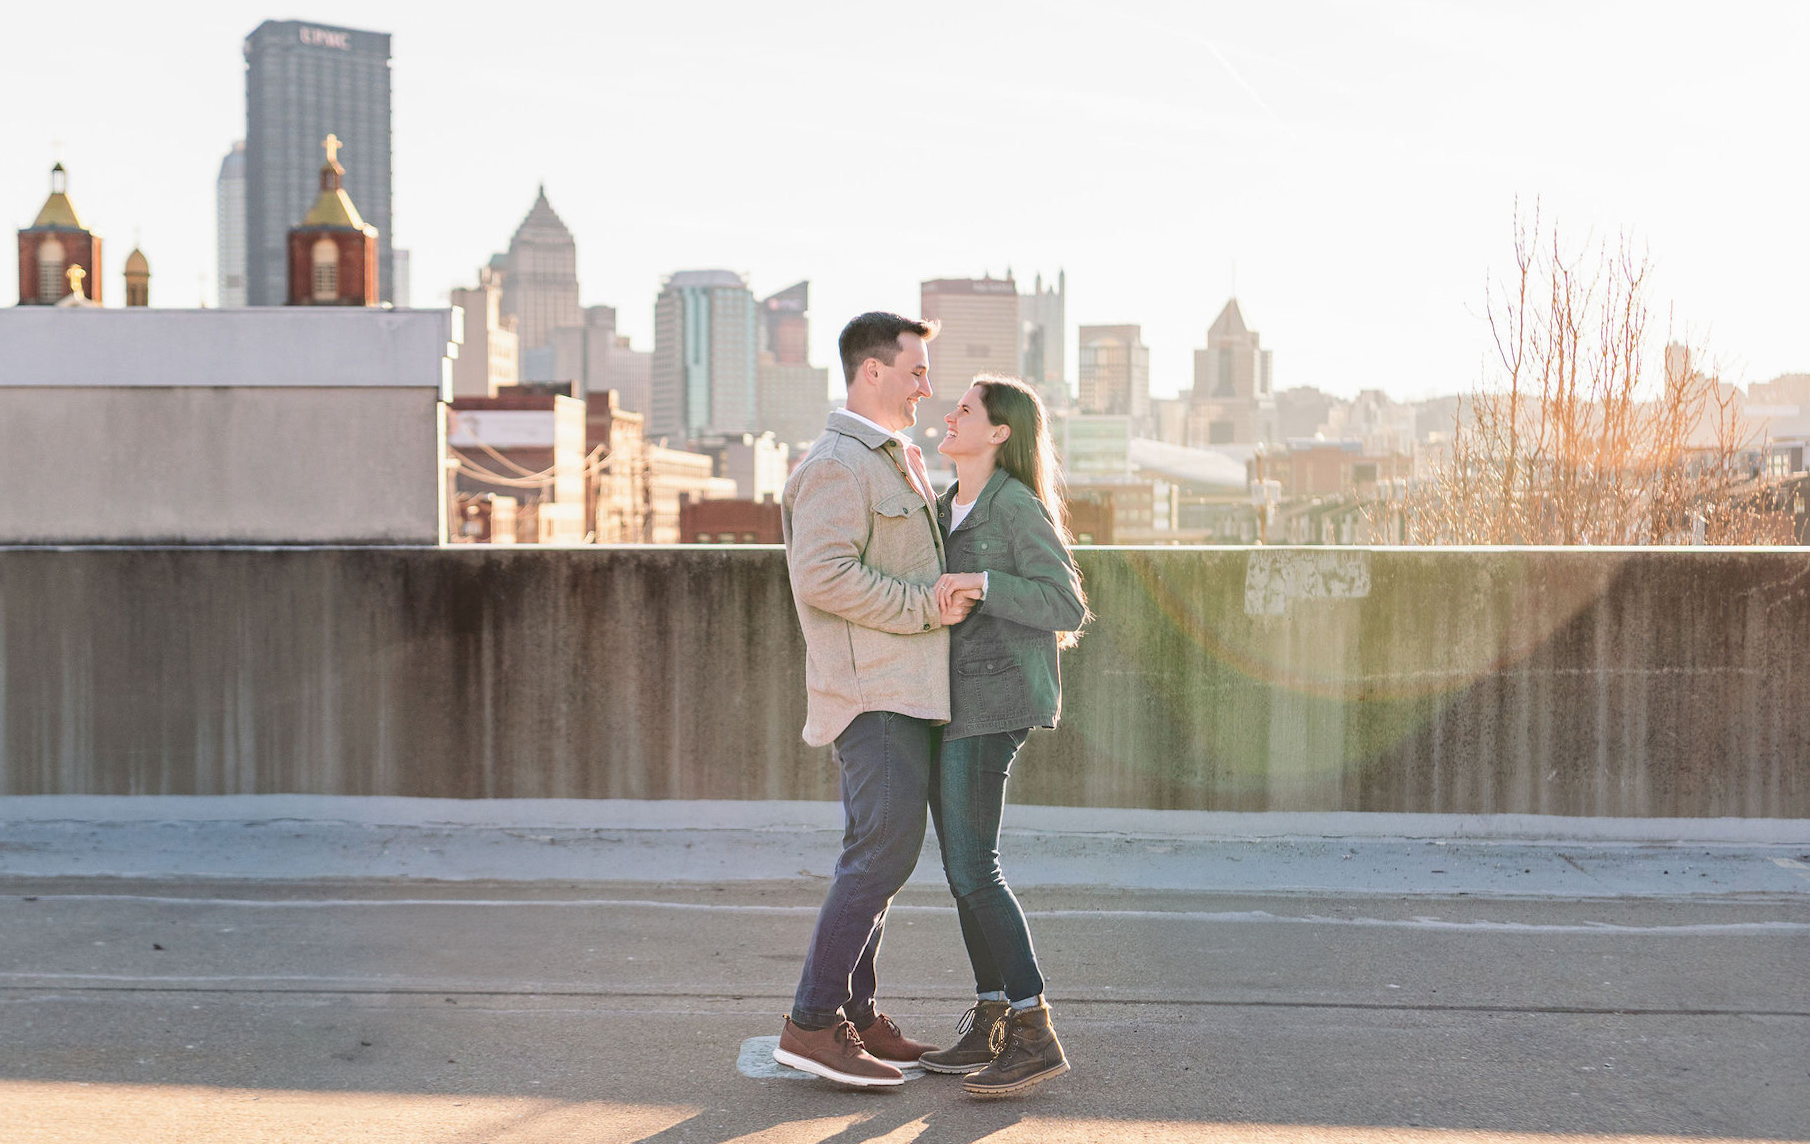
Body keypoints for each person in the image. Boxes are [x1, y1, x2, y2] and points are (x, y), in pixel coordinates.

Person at [771, 311, 983, 1088]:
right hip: (873, 698)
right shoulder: (838, 465)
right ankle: (810, 1023)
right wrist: (926, 605)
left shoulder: (896, 461)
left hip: (904, 694)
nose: (929, 386)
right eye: (917, 371)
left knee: (876, 859)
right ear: (872, 372)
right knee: (881, 857)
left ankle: (856, 1017)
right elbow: (822, 576)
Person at [914, 374, 1088, 1097]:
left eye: (965, 410)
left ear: (999, 434)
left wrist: (984, 582)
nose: (949, 415)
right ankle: (991, 1017)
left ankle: (1033, 1029)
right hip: (947, 703)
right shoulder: (945, 504)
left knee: (975, 869)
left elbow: (1065, 604)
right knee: (961, 871)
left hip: (995, 704)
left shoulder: (1014, 505)